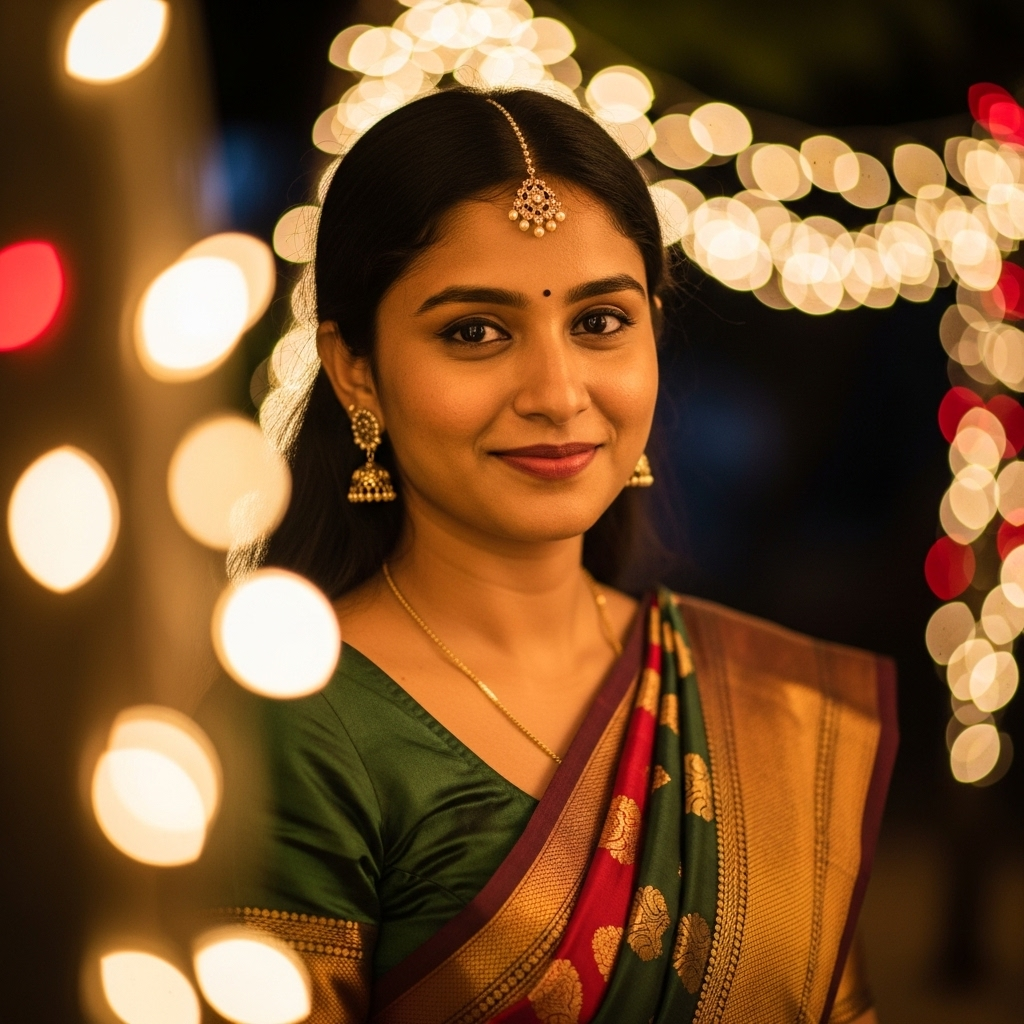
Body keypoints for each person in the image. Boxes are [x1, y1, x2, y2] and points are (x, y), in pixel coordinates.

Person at [200, 87, 896, 1024]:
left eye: (600, 322)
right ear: (353, 366)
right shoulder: (293, 729)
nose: (559, 393)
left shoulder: (772, 701)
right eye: (474, 332)